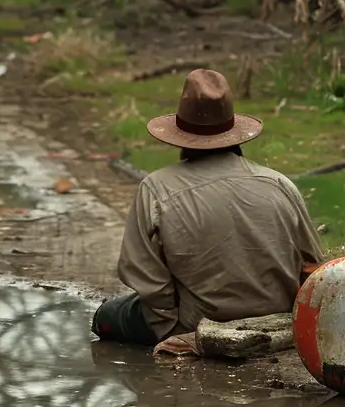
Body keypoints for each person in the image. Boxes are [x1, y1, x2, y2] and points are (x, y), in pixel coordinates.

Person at [91, 67, 325, 355]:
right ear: (234, 132)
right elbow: (313, 264)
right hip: (276, 316)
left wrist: (171, 328)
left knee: (105, 315)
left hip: (196, 322)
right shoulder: (279, 184)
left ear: (180, 135)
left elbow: (142, 273)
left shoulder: (156, 187)